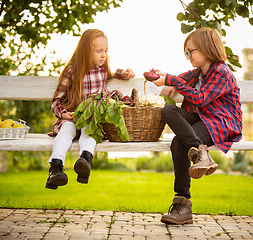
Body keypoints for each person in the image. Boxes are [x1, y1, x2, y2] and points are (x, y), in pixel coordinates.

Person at [152, 27, 242, 224]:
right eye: (186, 52)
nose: (187, 56)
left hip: (221, 123)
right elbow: (178, 79)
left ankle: (183, 205)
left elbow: (201, 99)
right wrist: (166, 80)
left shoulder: (222, 72)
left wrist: (172, 80)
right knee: (169, 111)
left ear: (206, 48)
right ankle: (200, 155)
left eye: (190, 51)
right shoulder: (198, 74)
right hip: (203, 118)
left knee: (178, 142)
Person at [46, 29, 135, 189]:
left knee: (91, 130)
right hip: (73, 117)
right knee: (66, 131)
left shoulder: (102, 68)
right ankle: (56, 168)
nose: (103, 55)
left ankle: (85, 161)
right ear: (86, 51)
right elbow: (56, 101)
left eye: (106, 51)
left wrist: (124, 73)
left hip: (92, 118)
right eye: (99, 51)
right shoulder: (72, 71)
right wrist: (64, 114)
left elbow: (112, 73)